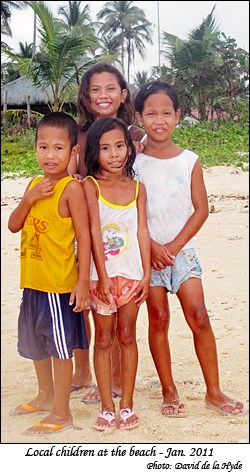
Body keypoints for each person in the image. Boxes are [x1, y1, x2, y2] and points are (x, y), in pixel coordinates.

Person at [134, 80, 245, 418]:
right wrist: (153, 247)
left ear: (178, 115)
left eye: (166, 113)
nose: (159, 120)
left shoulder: (189, 160)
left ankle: (213, 390)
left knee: (198, 315)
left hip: (182, 252)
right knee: (158, 319)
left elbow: (201, 208)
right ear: (139, 117)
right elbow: (127, 209)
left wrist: (173, 246)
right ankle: (169, 391)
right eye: (150, 113)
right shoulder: (133, 162)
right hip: (146, 254)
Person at [8, 112, 91, 435]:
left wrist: (83, 281)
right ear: (35, 148)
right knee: (35, 344)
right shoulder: (33, 184)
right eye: (43, 147)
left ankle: (61, 411)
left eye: (58, 148)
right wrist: (29, 198)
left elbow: (84, 237)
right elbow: (14, 225)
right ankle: (44, 396)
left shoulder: (71, 189)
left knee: (59, 349)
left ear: (73, 152)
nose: (50, 155)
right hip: (32, 283)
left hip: (58, 286)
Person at [68, 62, 146, 404]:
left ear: (123, 94)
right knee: (85, 305)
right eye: (95, 89)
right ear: (86, 96)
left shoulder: (134, 136)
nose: (103, 95)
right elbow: (69, 177)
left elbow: (140, 185)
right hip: (84, 233)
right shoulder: (79, 135)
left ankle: (115, 377)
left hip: (123, 238)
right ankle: (84, 371)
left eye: (110, 88)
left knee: (118, 314)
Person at [83, 117, 151, 430]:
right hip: (102, 279)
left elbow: (141, 232)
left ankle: (127, 404)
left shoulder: (138, 188)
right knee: (103, 339)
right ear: (94, 151)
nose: (114, 154)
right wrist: (103, 278)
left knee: (127, 336)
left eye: (120, 146)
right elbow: (93, 232)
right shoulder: (90, 186)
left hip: (133, 276)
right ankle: (107, 407)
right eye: (105, 148)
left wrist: (147, 275)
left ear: (129, 148)